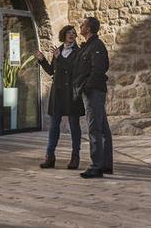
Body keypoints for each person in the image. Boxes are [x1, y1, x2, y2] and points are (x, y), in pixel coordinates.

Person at [35, 25, 84, 169]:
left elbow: (74, 69)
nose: (72, 34)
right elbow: (51, 71)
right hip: (57, 93)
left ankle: (75, 157)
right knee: (54, 126)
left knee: (74, 126)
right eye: (69, 32)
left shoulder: (79, 52)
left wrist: (60, 58)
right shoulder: (59, 51)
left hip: (72, 93)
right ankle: (50, 157)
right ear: (64, 35)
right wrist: (42, 60)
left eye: (74, 33)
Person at [73, 16, 112, 179]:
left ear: (88, 28)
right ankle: (105, 165)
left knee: (95, 128)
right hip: (91, 91)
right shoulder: (88, 46)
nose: (80, 27)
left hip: (93, 91)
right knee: (102, 128)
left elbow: (99, 69)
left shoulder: (96, 46)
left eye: (82, 25)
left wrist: (87, 86)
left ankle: (96, 166)